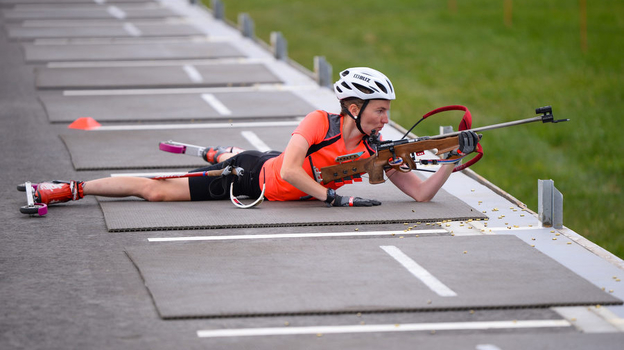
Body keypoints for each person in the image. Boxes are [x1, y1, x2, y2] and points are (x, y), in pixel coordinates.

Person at [32, 67, 480, 207]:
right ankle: (67, 188)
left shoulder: (373, 149)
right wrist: (334, 199)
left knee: (247, 152)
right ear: (353, 108)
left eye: (387, 112)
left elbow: (420, 194)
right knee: (156, 191)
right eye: (380, 111)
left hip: (273, 164)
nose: (386, 120)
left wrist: (450, 161)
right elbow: (287, 169)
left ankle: (217, 151)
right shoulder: (317, 122)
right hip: (251, 179)